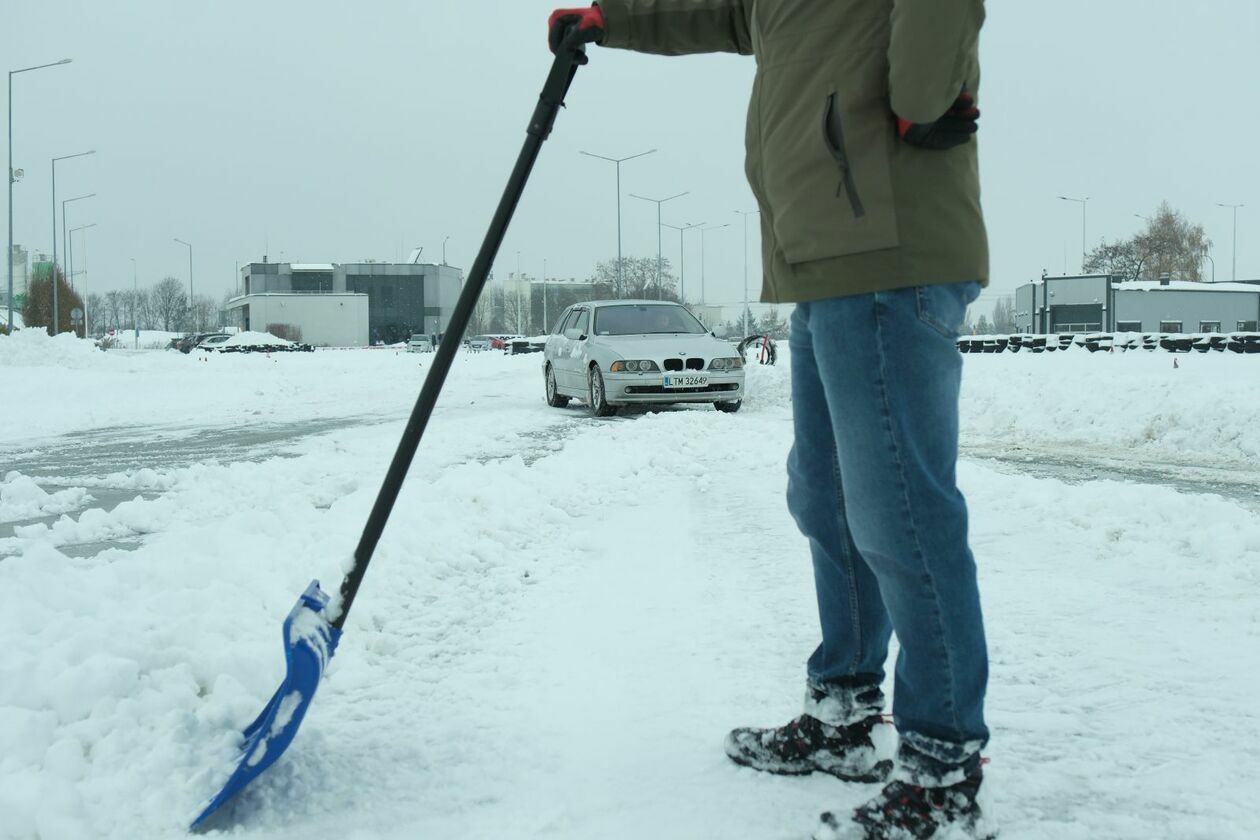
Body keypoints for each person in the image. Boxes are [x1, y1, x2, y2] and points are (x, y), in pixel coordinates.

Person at [548, 3, 992, 839]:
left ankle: (943, 767)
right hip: (820, 264)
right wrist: (610, 19)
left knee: (903, 514)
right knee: (825, 500)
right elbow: (712, 8)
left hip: (891, 252)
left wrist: (925, 95)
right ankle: (844, 712)